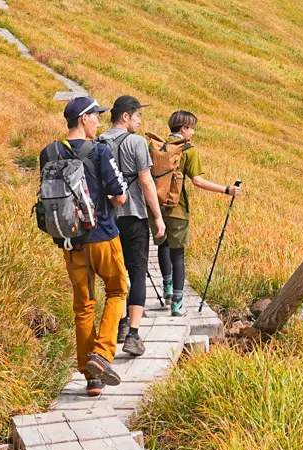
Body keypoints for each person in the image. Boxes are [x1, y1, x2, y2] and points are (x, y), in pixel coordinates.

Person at [40, 95, 128, 395]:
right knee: (117, 291)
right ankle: (102, 355)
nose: (99, 121)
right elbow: (119, 196)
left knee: (84, 306)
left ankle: (91, 378)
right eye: (96, 116)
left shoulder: (48, 153)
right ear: (83, 119)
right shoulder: (100, 151)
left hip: (69, 241)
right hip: (103, 235)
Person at [152, 109, 241, 316]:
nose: (193, 133)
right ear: (183, 129)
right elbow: (198, 181)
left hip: (156, 207)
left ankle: (166, 292)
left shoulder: (157, 145)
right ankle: (177, 304)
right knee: (178, 255)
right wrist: (226, 190)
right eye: (192, 129)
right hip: (178, 209)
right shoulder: (188, 150)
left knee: (163, 246)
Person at [99, 95, 166, 356]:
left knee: (116, 274)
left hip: (107, 219)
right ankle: (134, 335)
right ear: (125, 117)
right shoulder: (137, 142)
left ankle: (120, 324)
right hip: (135, 215)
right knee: (137, 272)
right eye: (137, 115)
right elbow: (147, 182)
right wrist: (157, 217)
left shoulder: (99, 142)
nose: (140, 121)